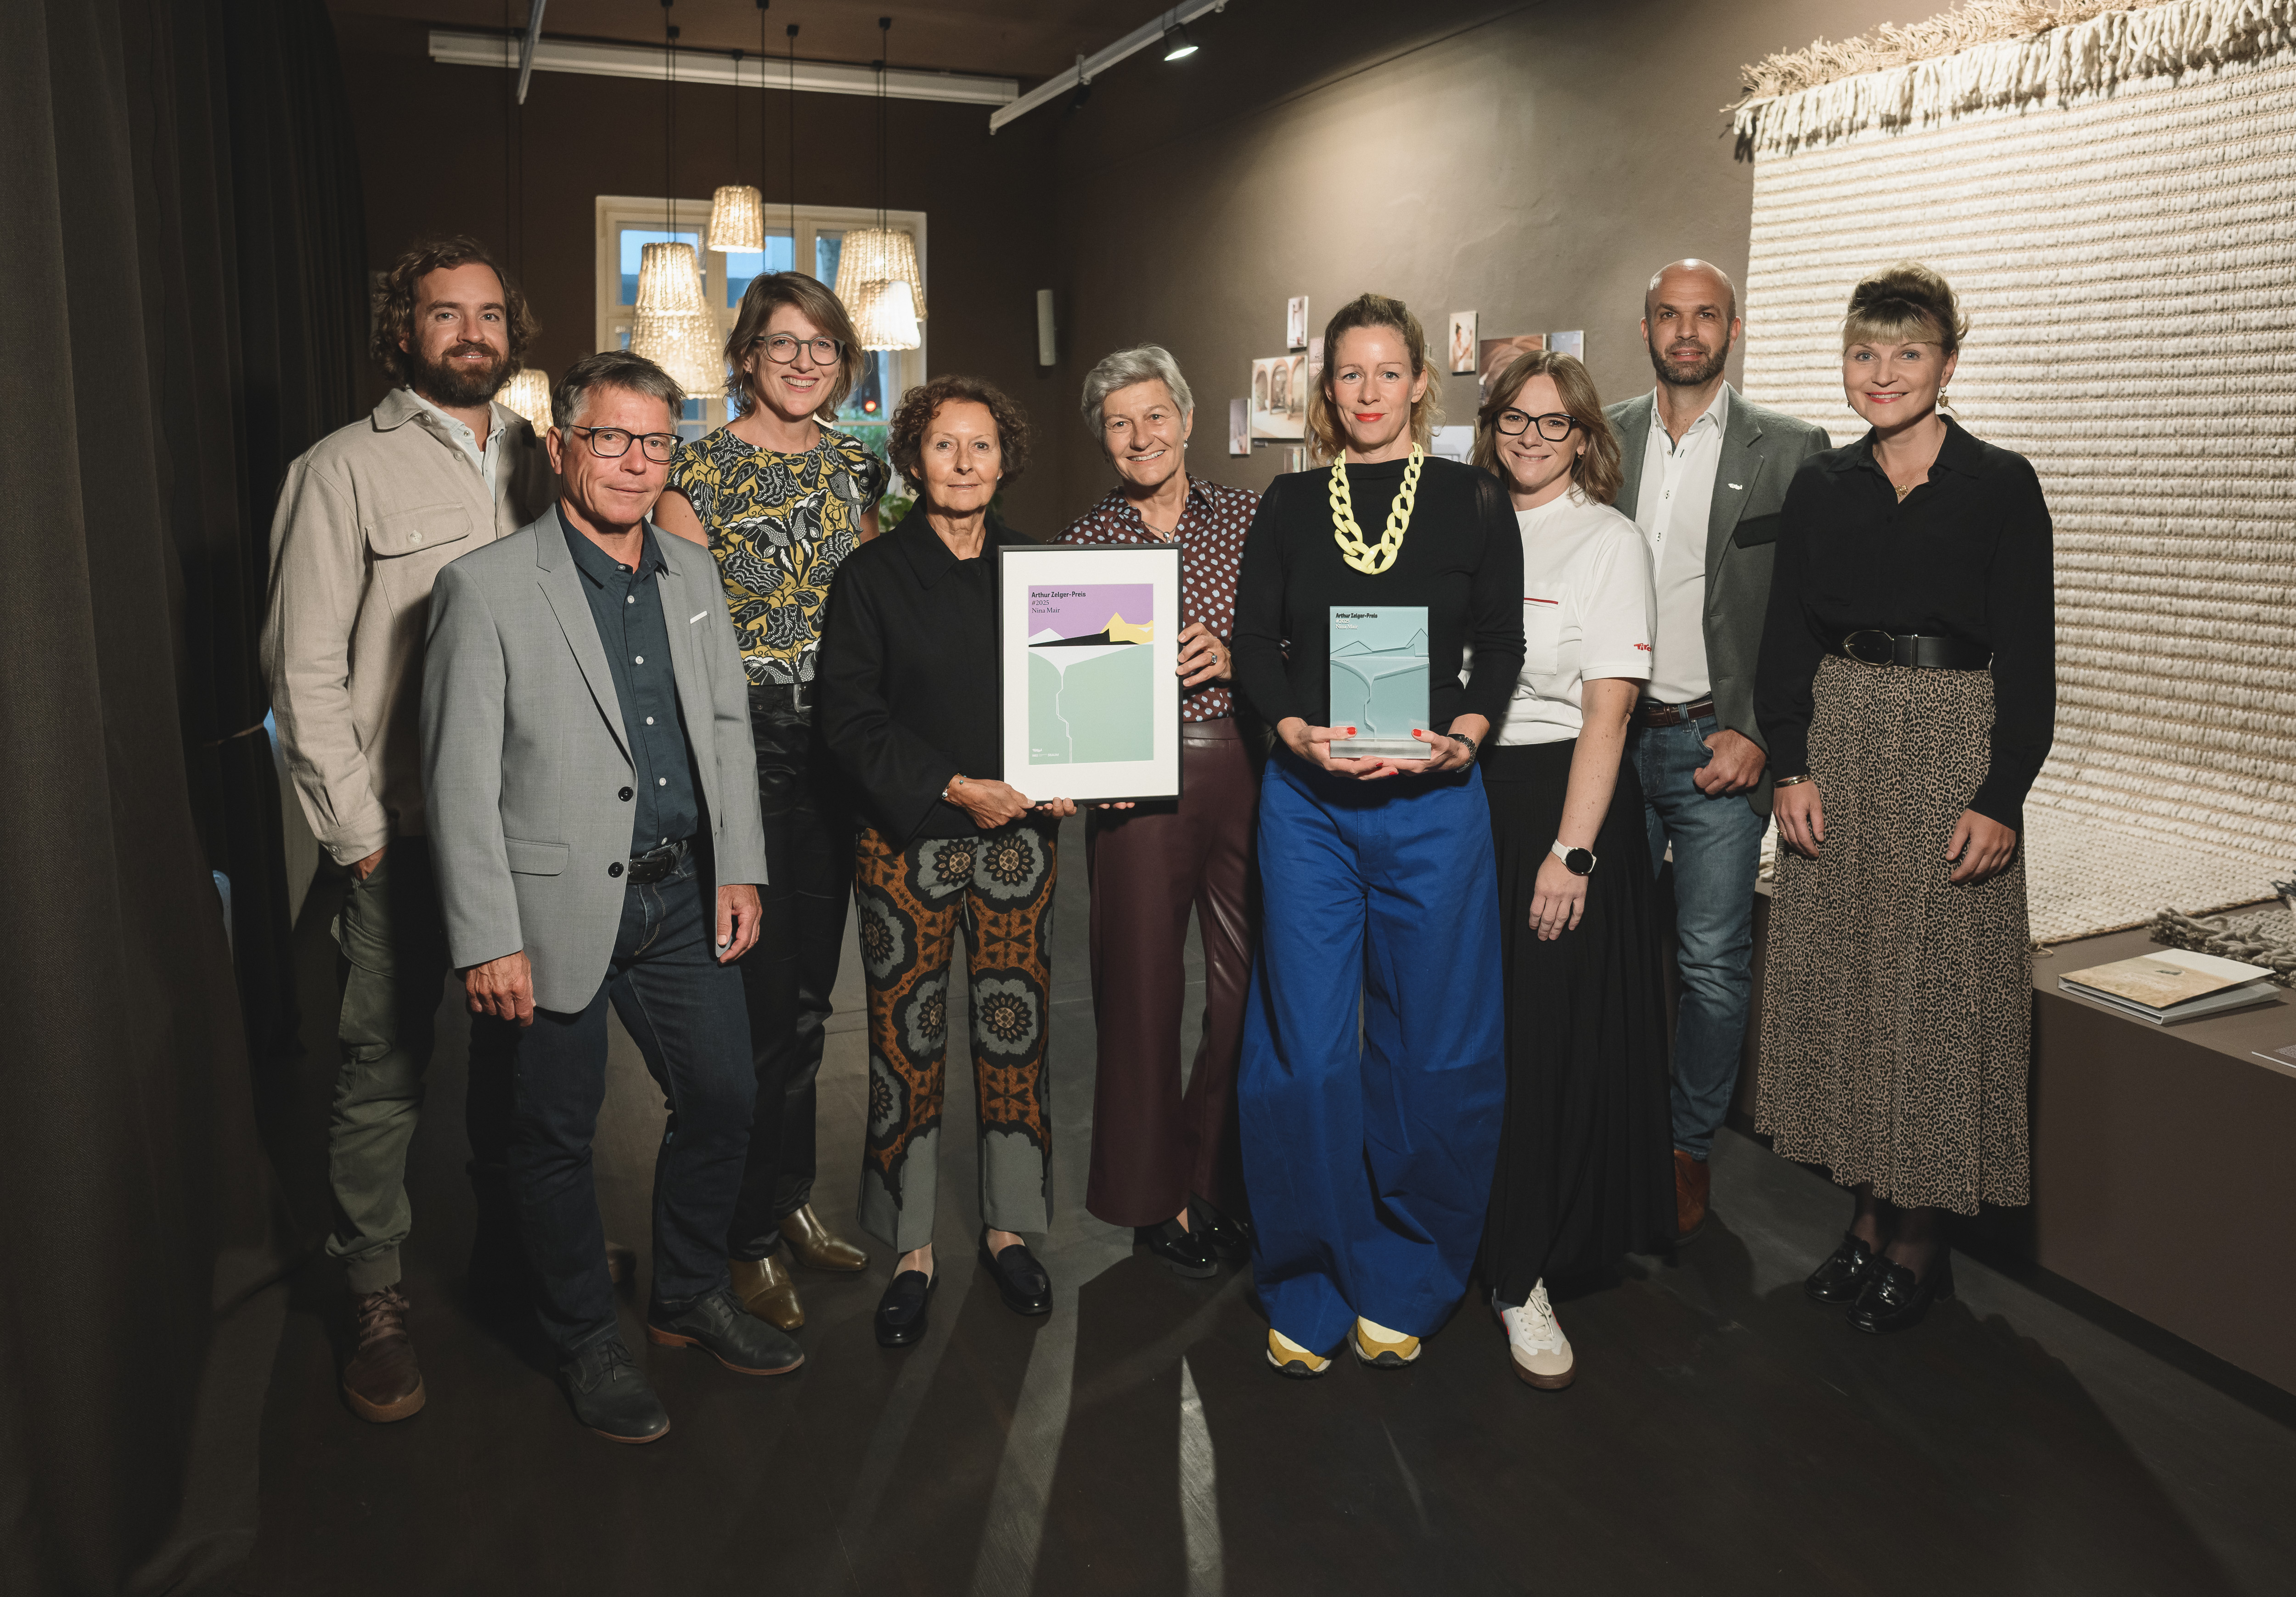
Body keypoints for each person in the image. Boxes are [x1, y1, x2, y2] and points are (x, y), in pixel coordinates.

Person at [422, 351, 797, 1443]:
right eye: (610, 438)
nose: (635, 463)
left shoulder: (692, 572)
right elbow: (456, 781)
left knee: (727, 1095)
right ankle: (585, 1331)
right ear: (561, 448)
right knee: (552, 1133)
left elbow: (726, 726)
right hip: (549, 912)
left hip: (683, 893)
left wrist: (742, 866)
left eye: (656, 442)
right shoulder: (485, 588)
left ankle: (683, 1293)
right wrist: (487, 936)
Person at [261, 235, 556, 1423]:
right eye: (447, 314)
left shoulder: (543, 459)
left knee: (524, 1054)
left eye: (489, 313)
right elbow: (302, 666)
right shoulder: (340, 469)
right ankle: (374, 1290)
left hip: (527, 822)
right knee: (384, 1065)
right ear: (404, 331)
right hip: (409, 828)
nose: (472, 332)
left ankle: (507, 1257)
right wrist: (360, 834)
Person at [1754, 263, 2054, 1335]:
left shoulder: (2000, 483)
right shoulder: (1822, 486)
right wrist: (1789, 762)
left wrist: (2001, 791)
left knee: (1929, 997)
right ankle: (1867, 1218)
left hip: (1947, 747)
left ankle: (1921, 1241)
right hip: (1838, 739)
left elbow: (2028, 654)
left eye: (1907, 352)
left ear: (1948, 363)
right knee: (1850, 988)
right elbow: (1786, 634)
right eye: (1864, 352)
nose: (1882, 373)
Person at [1231, 293, 1523, 1377]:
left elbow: (1498, 641)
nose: (1367, 392)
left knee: (1434, 1047)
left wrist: (1468, 733)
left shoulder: (1471, 499)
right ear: (1328, 387)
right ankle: (1307, 1276)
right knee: (1304, 1051)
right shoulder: (1291, 501)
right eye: (1348, 374)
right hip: (1308, 807)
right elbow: (1256, 641)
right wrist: (1289, 725)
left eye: (1386, 372)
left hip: (1433, 804)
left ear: (1417, 383)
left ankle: (1411, 1268)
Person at [816, 375, 1076, 1349]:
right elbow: (848, 721)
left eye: (980, 445)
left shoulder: (1039, 572)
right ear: (911, 461)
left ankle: (1010, 1228)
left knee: (1017, 1035)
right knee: (903, 1042)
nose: (962, 463)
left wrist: (1073, 766)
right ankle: (911, 1245)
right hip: (906, 843)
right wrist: (957, 786)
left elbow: (1077, 693)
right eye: (942, 446)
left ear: (1003, 460)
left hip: (1021, 846)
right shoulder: (872, 576)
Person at [655, 271, 881, 1333]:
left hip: (840, 743)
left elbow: (883, 605)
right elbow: (683, 647)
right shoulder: (691, 471)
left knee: (807, 1006)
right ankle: (738, 1237)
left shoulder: (857, 462)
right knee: (754, 1010)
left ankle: (785, 1197)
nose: (804, 361)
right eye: (783, 343)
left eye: (823, 344)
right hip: (747, 749)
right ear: (745, 354)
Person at [1605, 259, 1833, 1242]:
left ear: (1732, 327)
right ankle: (1608, 1133)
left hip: (1714, 746)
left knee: (1707, 961)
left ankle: (1686, 1145)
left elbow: (1810, 609)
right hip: (1605, 743)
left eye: (1705, 316)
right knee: (1602, 952)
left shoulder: (1792, 449)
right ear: (1645, 325)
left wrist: (1762, 732)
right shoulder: (1599, 437)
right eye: (1669, 315)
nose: (1686, 332)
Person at [1471, 349, 1671, 1389]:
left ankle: (1522, 1273)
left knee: (1540, 1037)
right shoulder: (1464, 522)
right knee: (1468, 1033)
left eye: (1554, 424)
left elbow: (1609, 711)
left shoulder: (1607, 539)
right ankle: (1465, 1233)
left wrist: (1571, 851)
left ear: (1586, 438)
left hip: (1560, 804)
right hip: (1461, 797)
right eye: (1515, 418)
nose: (1531, 437)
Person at [1058, 346, 1262, 1277]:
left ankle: (1222, 1174)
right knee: (1139, 989)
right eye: (1117, 422)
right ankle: (1156, 1198)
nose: (1140, 437)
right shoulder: (1081, 550)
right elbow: (1064, 691)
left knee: (1246, 987)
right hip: (1132, 783)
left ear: (1184, 418)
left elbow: (1294, 633)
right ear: (1102, 437)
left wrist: (1233, 655)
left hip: (1247, 766)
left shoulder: (1253, 520)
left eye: (1154, 415)